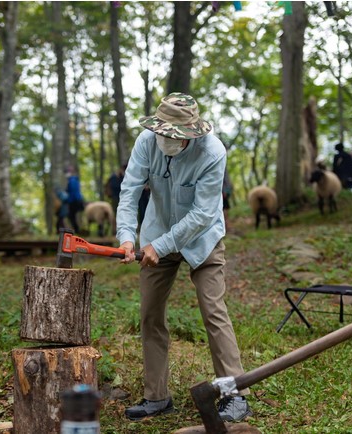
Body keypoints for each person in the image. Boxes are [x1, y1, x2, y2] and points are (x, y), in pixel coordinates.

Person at [116, 93, 251, 422]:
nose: (168, 140)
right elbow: (130, 188)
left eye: (176, 135)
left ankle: (234, 394)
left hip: (202, 239)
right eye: (164, 133)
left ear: (191, 132)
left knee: (213, 311)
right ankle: (157, 397)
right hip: (156, 231)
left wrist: (161, 246)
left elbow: (204, 213)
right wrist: (125, 236)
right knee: (150, 315)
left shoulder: (212, 151)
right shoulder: (147, 142)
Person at [65, 166, 85, 234]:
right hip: (76, 200)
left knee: (71, 215)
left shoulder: (72, 180)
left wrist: (69, 200)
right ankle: (77, 230)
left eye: (68, 172)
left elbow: (73, 191)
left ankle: (77, 230)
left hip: (74, 201)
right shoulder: (74, 180)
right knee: (72, 216)